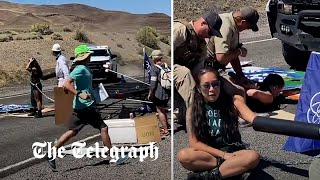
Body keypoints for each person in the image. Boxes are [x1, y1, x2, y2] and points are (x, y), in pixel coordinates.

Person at [177, 67, 260, 180]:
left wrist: (278, 125)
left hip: (234, 152)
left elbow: (253, 119)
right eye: (206, 86)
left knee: (253, 156)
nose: (212, 89)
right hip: (210, 156)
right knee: (184, 155)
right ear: (198, 88)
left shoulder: (234, 101)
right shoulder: (193, 110)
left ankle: (209, 177)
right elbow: (194, 143)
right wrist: (224, 156)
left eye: (215, 84)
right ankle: (231, 170)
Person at [47, 45, 113, 171]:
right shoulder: (81, 68)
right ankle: (113, 157)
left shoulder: (84, 68)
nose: (90, 56)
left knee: (73, 131)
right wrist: (79, 93)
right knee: (103, 128)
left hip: (81, 105)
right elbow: (67, 83)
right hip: (86, 106)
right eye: (88, 54)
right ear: (84, 56)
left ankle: (52, 152)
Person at [206, 6, 261, 124]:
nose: (246, 29)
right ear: (242, 21)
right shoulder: (226, 26)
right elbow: (221, 57)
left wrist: (240, 75)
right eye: (247, 27)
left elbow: (232, 53)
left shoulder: (234, 24)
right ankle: (242, 117)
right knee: (239, 91)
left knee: (243, 83)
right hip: (209, 68)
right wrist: (240, 52)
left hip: (217, 67)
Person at [173, 11, 222, 129]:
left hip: (184, 69)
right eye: (210, 32)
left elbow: (199, 68)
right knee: (184, 73)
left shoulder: (201, 44)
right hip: (168, 67)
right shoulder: (180, 29)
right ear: (203, 23)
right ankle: (197, 116)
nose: (210, 36)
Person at [148, 50, 171, 139]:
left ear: (154, 58)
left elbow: (153, 83)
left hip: (159, 93)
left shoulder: (154, 68)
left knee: (160, 110)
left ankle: (166, 131)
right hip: (167, 91)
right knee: (163, 109)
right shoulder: (166, 66)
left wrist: (150, 93)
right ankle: (167, 126)